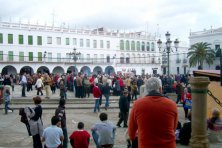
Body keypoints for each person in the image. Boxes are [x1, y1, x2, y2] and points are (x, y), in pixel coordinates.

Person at [128, 77, 178, 148]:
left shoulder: (137, 104)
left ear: (147, 89)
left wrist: (134, 137)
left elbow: (131, 132)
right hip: (168, 145)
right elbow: (173, 128)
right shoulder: (172, 104)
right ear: (160, 89)